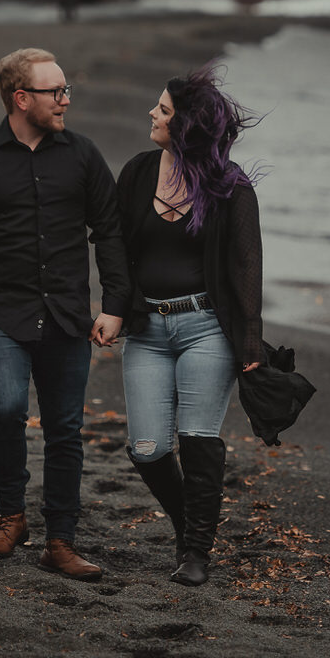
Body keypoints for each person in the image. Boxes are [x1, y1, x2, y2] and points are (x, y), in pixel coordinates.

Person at [0, 48, 129, 581]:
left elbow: (108, 231)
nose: (66, 100)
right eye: (56, 92)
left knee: (66, 429)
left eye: (66, 91)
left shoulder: (84, 156)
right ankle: (11, 517)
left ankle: (60, 542)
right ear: (21, 99)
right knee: (4, 410)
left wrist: (115, 304)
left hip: (67, 315)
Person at [116, 63, 264, 587]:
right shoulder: (136, 172)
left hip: (205, 328)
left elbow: (247, 268)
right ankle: (189, 527)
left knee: (198, 439)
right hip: (147, 330)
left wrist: (249, 342)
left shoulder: (231, 188)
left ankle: (197, 552)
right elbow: (114, 248)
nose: (151, 114)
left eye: (162, 109)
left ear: (186, 126)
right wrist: (115, 307)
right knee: (148, 449)